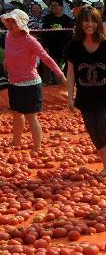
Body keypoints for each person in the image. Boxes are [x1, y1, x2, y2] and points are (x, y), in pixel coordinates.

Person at [64, 5, 106, 174]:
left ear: (98, 23)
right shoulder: (73, 46)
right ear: (80, 23)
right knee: (94, 131)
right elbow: (70, 73)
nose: (89, 24)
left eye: (93, 20)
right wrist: (70, 97)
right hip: (85, 98)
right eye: (86, 21)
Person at [1, 9, 66, 152]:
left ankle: (37, 147)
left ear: (21, 23)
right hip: (13, 82)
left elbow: (45, 58)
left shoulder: (30, 40)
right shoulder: (7, 36)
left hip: (30, 84)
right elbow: (8, 50)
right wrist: (7, 59)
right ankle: (16, 142)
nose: (11, 24)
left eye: (14, 21)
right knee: (17, 114)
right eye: (9, 21)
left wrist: (60, 74)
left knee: (31, 117)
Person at [41, 0, 74, 84]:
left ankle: (62, 88)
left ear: (61, 7)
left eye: (56, 5)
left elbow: (68, 35)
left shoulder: (68, 20)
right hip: (50, 48)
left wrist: (64, 49)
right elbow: (44, 33)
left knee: (62, 71)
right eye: (52, 6)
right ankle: (46, 85)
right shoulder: (47, 19)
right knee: (50, 68)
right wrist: (45, 46)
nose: (53, 7)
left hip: (64, 49)